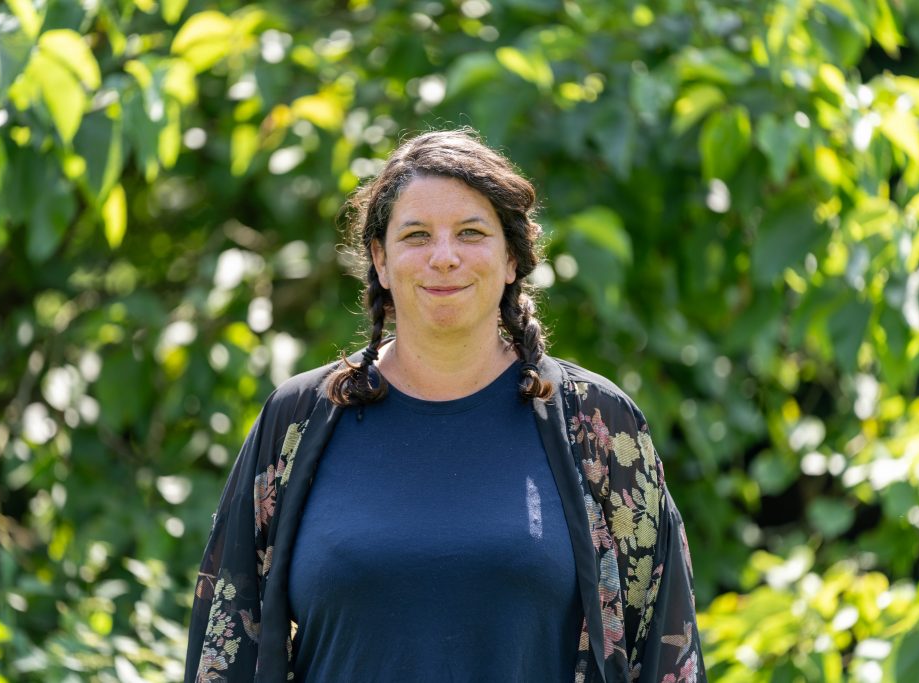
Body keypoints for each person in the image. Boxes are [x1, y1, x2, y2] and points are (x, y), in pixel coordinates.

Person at [184, 128, 705, 683]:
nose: (444, 257)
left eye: (471, 232)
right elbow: (225, 648)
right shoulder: (297, 424)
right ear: (380, 262)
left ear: (512, 259)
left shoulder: (599, 428)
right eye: (416, 235)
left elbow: (666, 655)